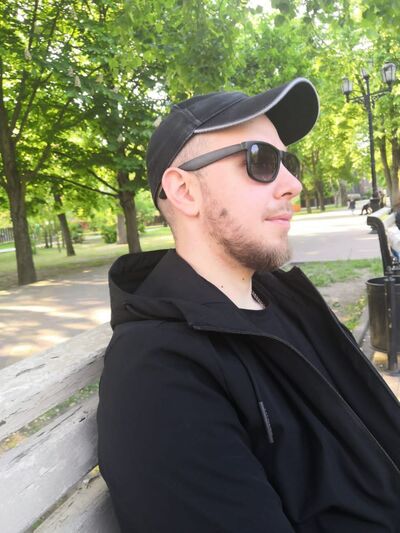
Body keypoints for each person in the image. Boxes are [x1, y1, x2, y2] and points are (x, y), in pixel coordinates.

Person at [97, 78, 400, 532]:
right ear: (184, 191)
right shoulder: (159, 372)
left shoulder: (282, 297)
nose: (294, 184)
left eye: (288, 162)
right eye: (261, 160)